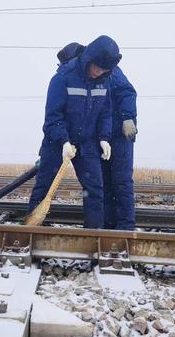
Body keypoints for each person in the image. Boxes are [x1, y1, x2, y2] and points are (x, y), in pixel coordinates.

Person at [27, 36, 121, 229]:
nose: (99, 73)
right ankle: (30, 231)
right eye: (97, 68)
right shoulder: (63, 77)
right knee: (44, 188)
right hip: (57, 143)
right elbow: (52, 118)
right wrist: (63, 141)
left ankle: (94, 236)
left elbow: (105, 112)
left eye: (104, 70)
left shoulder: (104, 81)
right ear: (90, 59)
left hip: (88, 144)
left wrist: (104, 138)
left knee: (95, 190)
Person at [57, 43, 137, 230]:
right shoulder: (81, 74)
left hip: (120, 134)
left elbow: (127, 92)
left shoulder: (109, 70)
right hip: (100, 136)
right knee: (103, 183)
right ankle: (109, 226)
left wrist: (127, 117)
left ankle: (126, 227)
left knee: (121, 181)